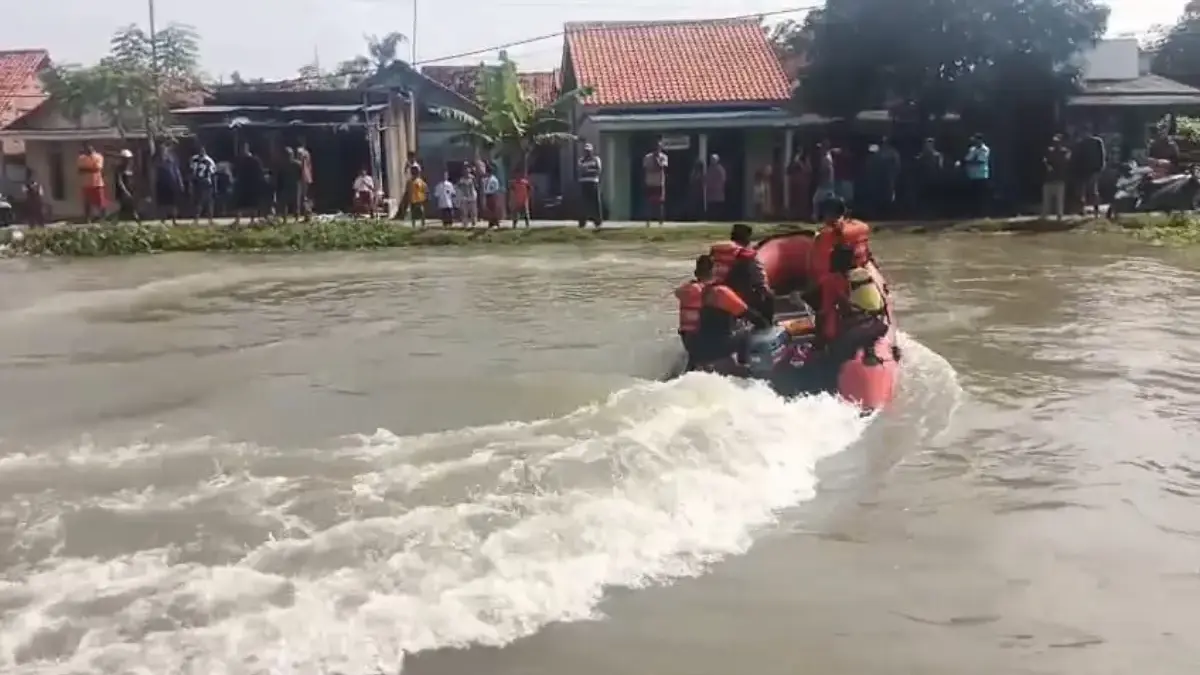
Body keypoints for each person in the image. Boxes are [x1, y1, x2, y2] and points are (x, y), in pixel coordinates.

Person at [689, 268, 771, 371]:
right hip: (717, 346)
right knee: (744, 335)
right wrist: (767, 326)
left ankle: (693, 366)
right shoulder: (723, 293)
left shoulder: (703, 292)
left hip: (696, 345)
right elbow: (752, 317)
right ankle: (744, 367)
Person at [709, 223, 773, 321]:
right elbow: (759, 280)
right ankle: (766, 328)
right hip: (736, 297)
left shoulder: (717, 250)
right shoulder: (746, 254)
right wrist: (766, 292)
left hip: (711, 294)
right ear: (747, 238)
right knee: (769, 297)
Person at [675, 254, 713, 368]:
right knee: (702, 363)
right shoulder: (705, 291)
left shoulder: (686, 288)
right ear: (712, 272)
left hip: (685, 333)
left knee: (694, 360)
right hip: (699, 333)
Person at [77, 143, 106, 223]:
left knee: (100, 202)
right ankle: (87, 219)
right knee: (87, 203)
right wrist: (90, 168)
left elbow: (97, 168)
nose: (87, 151)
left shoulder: (98, 157)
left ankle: (102, 218)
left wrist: (86, 169)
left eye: (89, 149)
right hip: (86, 183)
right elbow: (80, 170)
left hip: (97, 183)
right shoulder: (81, 158)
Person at [189, 145, 217, 225]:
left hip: (205, 182)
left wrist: (214, 186)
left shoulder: (208, 161)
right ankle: (197, 218)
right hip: (199, 182)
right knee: (199, 202)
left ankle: (209, 219)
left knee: (207, 202)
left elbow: (213, 173)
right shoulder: (195, 159)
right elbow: (191, 171)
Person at [577, 143, 603, 228]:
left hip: (593, 182)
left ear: (592, 151)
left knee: (595, 203)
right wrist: (590, 170)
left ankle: (597, 221)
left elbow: (598, 170)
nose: (587, 152)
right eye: (586, 151)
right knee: (584, 203)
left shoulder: (596, 159)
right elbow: (580, 171)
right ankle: (582, 222)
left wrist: (587, 170)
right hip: (584, 183)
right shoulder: (581, 160)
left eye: (589, 151)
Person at [113, 148, 140, 223]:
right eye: (126, 159)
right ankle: (134, 217)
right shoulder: (119, 169)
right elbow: (119, 181)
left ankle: (121, 219)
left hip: (131, 189)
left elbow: (134, 179)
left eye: (129, 159)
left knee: (130, 205)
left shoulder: (131, 168)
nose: (128, 160)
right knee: (126, 205)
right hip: (122, 190)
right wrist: (125, 191)